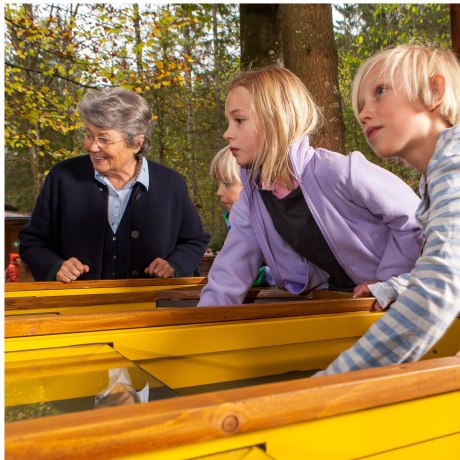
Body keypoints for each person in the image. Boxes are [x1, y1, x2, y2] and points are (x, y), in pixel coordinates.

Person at [198, 65, 423, 307]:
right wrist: (200, 326)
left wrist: (386, 281)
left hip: (411, 296)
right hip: (342, 300)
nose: (227, 133)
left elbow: (413, 219)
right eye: (228, 122)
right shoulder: (253, 201)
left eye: (239, 120)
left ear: (276, 121)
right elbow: (229, 272)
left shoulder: (338, 172)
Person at [315, 44, 460, 376]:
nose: (364, 113)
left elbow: (440, 287)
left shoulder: (454, 164)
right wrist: (396, 286)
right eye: (360, 105)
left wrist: (332, 382)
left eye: (380, 92)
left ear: (434, 91)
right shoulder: (437, 179)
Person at [19, 87, 210, 282]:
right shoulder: (62, 177)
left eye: (104, 139)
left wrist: (174, 265)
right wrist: (56, 267)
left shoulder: (171, 183)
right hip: (76, 305)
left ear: (136, 142)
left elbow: (194, 240)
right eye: (90, 135)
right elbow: (32, 241)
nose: (92, 146)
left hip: (151, 305)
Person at [210, 145, 275, 287]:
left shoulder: (265, 221)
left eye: (227, 183)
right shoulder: (231, 220)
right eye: (218, 184)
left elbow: (283, 272)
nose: (219, 192)